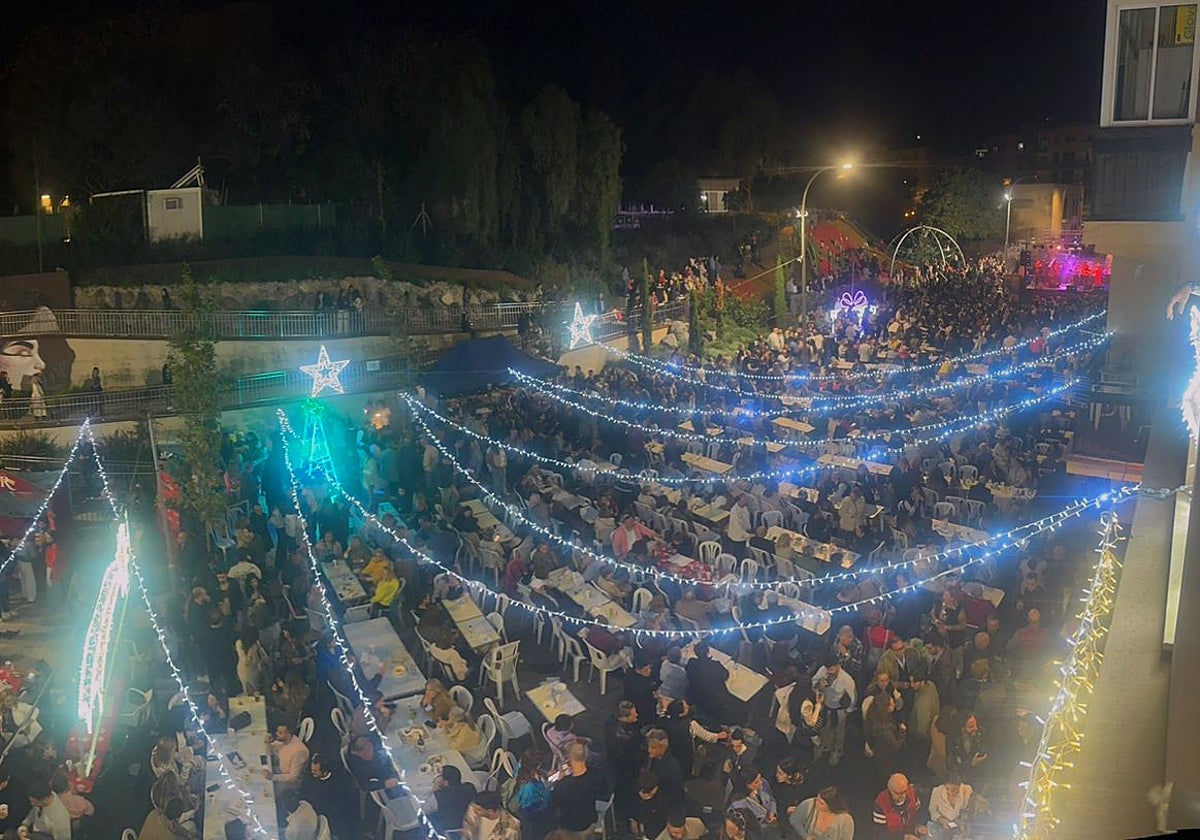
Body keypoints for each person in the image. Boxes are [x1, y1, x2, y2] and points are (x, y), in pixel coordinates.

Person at [552, 743, 608, 840]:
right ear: (586, 756)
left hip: (569, 828)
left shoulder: (562, 785)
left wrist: (560, 779)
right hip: (589, 822)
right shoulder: (597, 775)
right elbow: (604, 791)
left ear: (569, 758)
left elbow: (553, 805)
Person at [811, 658, 856, 766]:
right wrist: (819, 686)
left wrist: (848, 710)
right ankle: (826, 745)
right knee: (825, 727)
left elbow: (853, 697)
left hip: (839, 709)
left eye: (831, 669)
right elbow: (813, 684)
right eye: (827, 669)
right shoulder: (822, 671)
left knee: (839, 731)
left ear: (837, 666)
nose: (829, 672)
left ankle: (837, 750)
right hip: (825, 705)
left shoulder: (846, 679)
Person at [788, 787, 854, 840]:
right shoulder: (810, 804)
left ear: (831, 805)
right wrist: (806, 836)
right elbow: (794, 819)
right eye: (817, 799)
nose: (817, 804)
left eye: (821, 803)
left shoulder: (845, 820)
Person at [872, 773, 924, 839]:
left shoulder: (912, 793)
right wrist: (903, 837)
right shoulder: (880, 804)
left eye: (904, 791)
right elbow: (880, 835)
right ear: (890, 790)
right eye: (898, 793)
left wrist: (917, 828)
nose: (903, 795)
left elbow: (918, 814)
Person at [726, 770, 778, 834]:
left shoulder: (763, 784)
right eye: (756, 782)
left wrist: (772, 812)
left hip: (770, 829)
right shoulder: (737, 805)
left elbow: (771, 799)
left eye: (760, 778)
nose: (761, 782)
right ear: (747, 785)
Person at [927, 772, 974, 840]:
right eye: (948, 789)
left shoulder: (967, 790)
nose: (950, 792)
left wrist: (964, 824)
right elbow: (932, 810)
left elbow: (969, 811)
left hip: (959, 829)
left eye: (954, 790)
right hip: (940, 828)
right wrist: (942, 820)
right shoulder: (937, 791)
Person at [431, 765, 477, 832]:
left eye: (440, 776)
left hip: (452, 825)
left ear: (446, 782)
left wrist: (435, 785)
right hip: (469, 820)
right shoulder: (470, 786)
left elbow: (428, 806)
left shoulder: (439, 796)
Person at [267, 723, 310, 793]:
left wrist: (272, 777)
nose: (276, 734)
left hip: (290, 783)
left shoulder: (299, 752)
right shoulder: (283, 741)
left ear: (288, 734)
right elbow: (269, 753)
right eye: (277, 731)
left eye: (280, 732)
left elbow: (293, 777)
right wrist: (267, 743)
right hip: (280, 771)